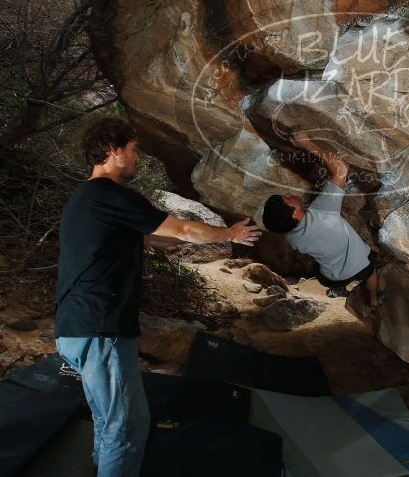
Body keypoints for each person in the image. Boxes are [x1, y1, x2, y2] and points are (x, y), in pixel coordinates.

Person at [54, 117, 260, 477]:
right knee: (128, 426)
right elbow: (182, 228)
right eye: (133, 151)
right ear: (112, 151)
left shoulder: (86, 200)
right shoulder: (111, 195)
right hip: (101, 328)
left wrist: (194, 238)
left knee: (108, 419)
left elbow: (154, 236)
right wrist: (229, 232)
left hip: (76, 327)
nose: (138, 159)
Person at [262, 132, 381, 309]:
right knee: (371, 272)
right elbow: (341, 169)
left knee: (324, 273)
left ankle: (337, 290)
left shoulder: (292, 236)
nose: (289, 194)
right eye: (287, 198)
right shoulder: (323, 212)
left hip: (331, 278)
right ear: (294, 214)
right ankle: (373, 299)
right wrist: (307, 145)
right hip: (358, 265)